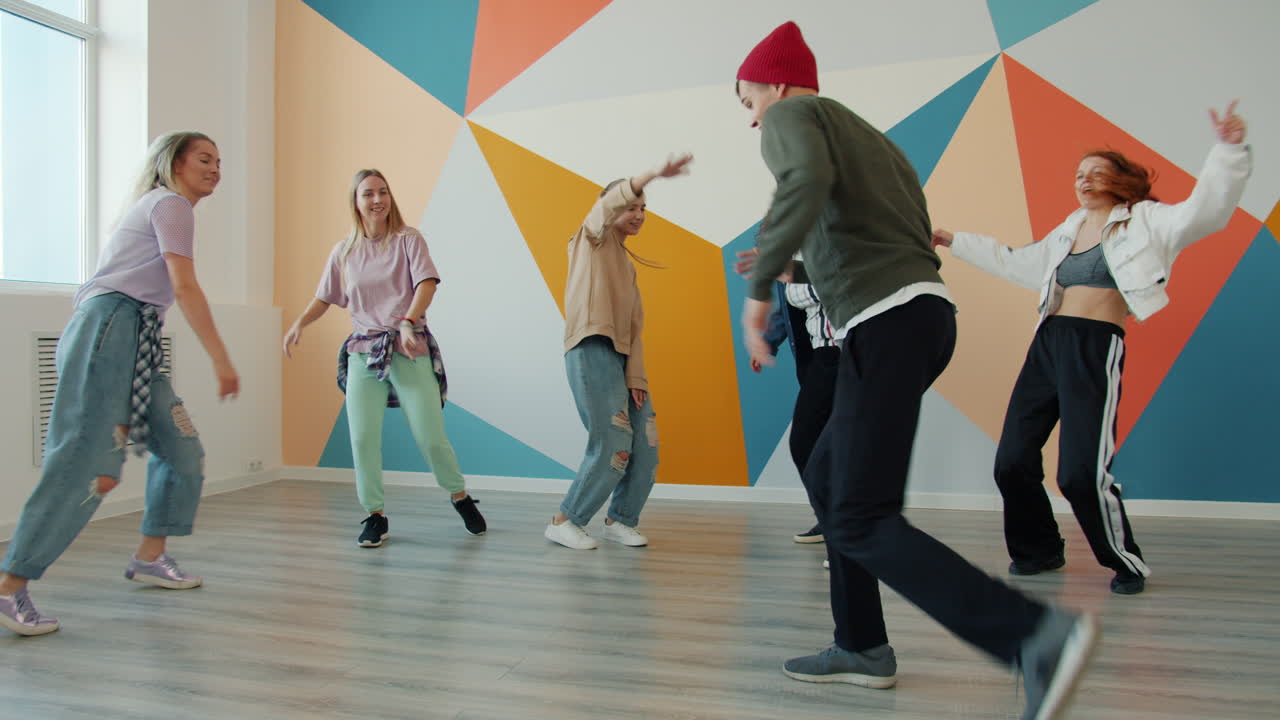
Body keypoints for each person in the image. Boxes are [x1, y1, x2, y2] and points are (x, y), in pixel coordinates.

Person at [733, 22, 1097, 719]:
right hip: (925, 319)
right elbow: (864, 232)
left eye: (746, 98)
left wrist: (757, 302)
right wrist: (794, 264)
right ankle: (860, 644)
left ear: (774, 84)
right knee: (837, 478)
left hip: (887, 324)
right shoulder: (876, 144)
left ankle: (1035, 637)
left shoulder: (791, 115)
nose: (749, 115)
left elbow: (802, 183)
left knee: (861, 513)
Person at [932, 101, 1251, 595]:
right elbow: (1017, 262)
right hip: (1048, 344)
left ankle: (1126, 562)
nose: (1082, 180)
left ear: (1119, 181)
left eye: (1095, 172)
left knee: (1080, 473)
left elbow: (1206, 211)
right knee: (1011, 461)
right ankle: (1039, 550)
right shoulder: (1067, 229)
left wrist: (1228, 151)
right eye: (1079, 173)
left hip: (1093, 348)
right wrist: (954, 240)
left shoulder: (1147, 222)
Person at [1, 131, 239, 636]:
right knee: (87, 460)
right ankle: (9, 585)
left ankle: (150, 556)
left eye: (219, 161)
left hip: (136, 338)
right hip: (108, 332)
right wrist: (221, 358)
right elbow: (184, 286)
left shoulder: (168, 207)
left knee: (180, 446)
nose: (215, 168)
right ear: (172, 162)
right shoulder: (171, 204)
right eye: (204, 158)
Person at [283, 169, 486, 548]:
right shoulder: (344, 251)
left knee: (430, 436)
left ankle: (459, 495)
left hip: (408, 348)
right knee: (362, 438)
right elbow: (326, 296)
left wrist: (408, 321)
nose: (377, 200)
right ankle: (374, 515)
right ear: (355, 202)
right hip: (363, 352)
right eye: (367, 194)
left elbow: (426, 282)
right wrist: (299, 323)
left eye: (383, 192)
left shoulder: (408, 240)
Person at [543, 155, 691, 550]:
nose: (639, 213)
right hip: (590, 348)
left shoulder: (626, 266)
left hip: (621, 361)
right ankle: (565, 520)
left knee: (646, 443)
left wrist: (636, 378)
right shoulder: (590, 238)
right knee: (612, 440)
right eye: (631, 205)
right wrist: (653, 174)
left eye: (644, 209)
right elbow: (606, 207)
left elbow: (635, 330)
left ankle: (620, 518)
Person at [758, 279, 838, 546]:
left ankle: (841, 528)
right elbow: (786, 310)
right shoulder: (788, 269)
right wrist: (768, 342)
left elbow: (834, 287)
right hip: (812, 357)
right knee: (818, 445)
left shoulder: (817, 249)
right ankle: (831, 520)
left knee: (810, 443)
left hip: (838, 352)